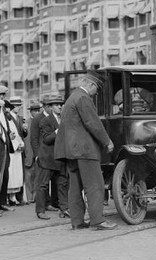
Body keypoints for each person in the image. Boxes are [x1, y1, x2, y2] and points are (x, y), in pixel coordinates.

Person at [54, 71, 117, 231]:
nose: (97, 93)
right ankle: (98, 221)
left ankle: (77, 222)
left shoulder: (71, 98)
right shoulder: (83, 98)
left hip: (71, 151)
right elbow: (93, 123)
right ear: (91, 84)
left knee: (75, 187)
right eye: (97, 89)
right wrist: (107, 141)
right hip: (85, 150)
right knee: (95, 184)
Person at [35, 96, 69, 220]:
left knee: (62, 184)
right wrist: (58, 131)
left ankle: (64, 209)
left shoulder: (64, 120)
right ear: (50, 107)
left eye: (61, 104)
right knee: (43, 185)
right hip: (48, 158)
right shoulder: (45, 121)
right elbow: (46, 139)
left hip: (60, 157)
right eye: (56, 104)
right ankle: (40, 210)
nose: (60, 106)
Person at [4, 97, 25, 206]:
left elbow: (17, 134)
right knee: (11, 175)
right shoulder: (6, 119)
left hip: (16, 149)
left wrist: (20, 143)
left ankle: (14, 197)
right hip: (11, 150)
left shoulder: (13, 119)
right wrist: (16, 144)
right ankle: (10, 198)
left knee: (16, 175)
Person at [23, 100, 43, 204]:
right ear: (30, 112)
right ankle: (29, 197)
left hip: (38, 154)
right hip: (28, 154)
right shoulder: (26, 123)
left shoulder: (42, 121)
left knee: (38, 178)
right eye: (34, 111)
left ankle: (36, 197)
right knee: (28, 178)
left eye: (37, 110)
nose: (36, 112)